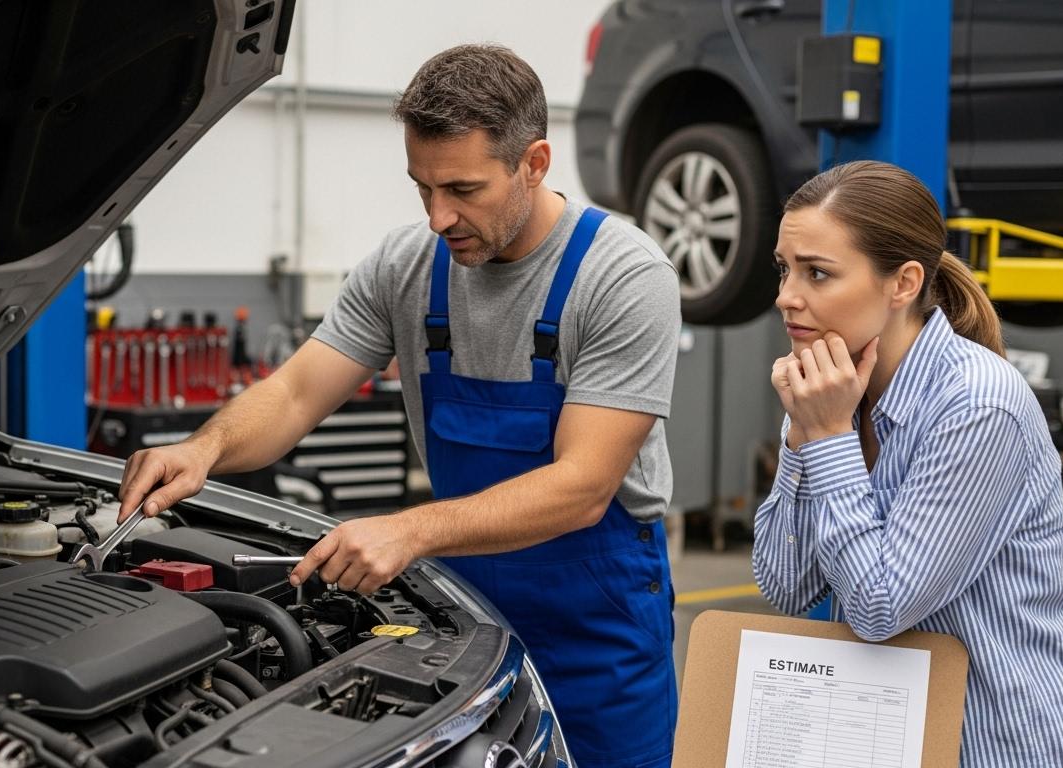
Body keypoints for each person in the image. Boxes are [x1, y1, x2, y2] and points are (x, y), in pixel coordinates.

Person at [118, 44, 681, 768]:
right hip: (468, 624)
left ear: (534, 163)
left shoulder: (623, 277)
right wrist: (205, 449)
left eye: (464, 188)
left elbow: (582, 487)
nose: (439, 215)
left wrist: (408, 533)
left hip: (598, 641)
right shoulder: (405, 266)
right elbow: (293, 392)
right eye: (422, 188)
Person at [753, 160, 1063, 765]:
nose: (787, 297)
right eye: (785, 269)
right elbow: (786, 586)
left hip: (995, 743)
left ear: (904, 283)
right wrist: (807, 436)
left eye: (818, 273)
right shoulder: (830, 392)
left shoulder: (978, 406)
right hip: (890, 740)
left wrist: (829, 438)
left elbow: (878, 609)